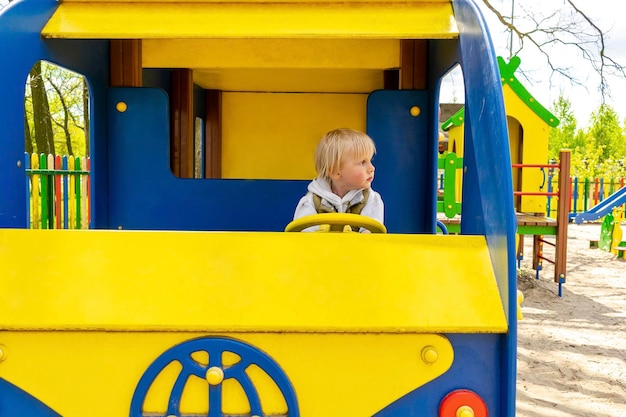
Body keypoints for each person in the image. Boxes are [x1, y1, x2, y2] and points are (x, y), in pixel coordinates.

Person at [293, 128, 384, 232]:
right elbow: (303, 237)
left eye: (370, 160)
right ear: (336, 172)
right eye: (362, 162)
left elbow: (373, 237)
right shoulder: (311, 202)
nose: (372, 168)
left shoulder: (371, 200)